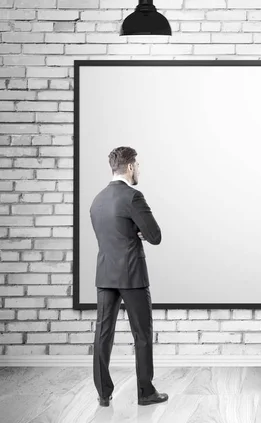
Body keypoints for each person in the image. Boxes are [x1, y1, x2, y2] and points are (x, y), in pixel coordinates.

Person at [90, 146, 168, 407]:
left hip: (105, 275)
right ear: (131, 166)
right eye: (138, 166)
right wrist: (141, 232)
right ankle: (145, 392)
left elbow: (110, 235)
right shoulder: (133, 197)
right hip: (132, 275)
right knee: (142, 335)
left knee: (103, 334)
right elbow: (155, 236)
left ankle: (103, 393)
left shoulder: (97, 200)